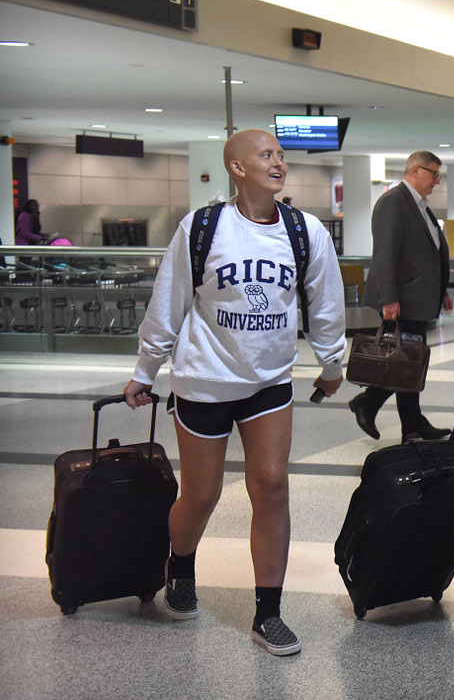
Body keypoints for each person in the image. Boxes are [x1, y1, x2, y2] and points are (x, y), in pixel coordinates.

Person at [123, 129, 347, 656]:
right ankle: (180, 565)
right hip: (204, 380)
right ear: (237, 168)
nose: (279, 162)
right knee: (201, 495)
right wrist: (146, 367)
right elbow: (170, 299)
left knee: (271, 487)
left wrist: (332, 361)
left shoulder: (304, 230)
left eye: (281, 155)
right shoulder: (202, 229)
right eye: (266, 154)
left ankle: (267, 612)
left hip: (268, 381)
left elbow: (326, 300)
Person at [348, 151, 453, 443]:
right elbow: (384, 255)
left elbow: (425, 255)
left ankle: (412, 424)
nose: (436, 180)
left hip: (417, 300)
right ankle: (369, 402)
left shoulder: (420, 206)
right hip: (401, 302)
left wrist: (440, 291)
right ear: (416, 170)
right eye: (433, 173)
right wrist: (388, 299)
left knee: (412, 361)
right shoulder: (393, 202)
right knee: (404, 361)